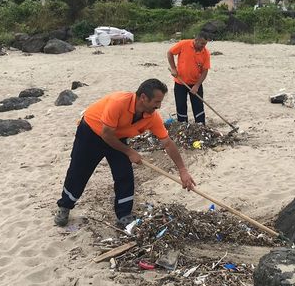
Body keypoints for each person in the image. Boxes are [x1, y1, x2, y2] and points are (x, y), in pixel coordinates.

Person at [54, 79, 196, 227]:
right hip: (91, 132)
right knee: (79, 171)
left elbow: (167, 143)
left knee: (124, 175)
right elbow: (106, 134)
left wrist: (182, 170)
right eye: (156, 101)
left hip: (117, 138)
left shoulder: (151, 117)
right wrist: (130, 152)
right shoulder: (118, 102)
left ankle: (124, 215)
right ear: (143, 98)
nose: (159, 106)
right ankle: (64, 207)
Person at [167, 31, 211, 124]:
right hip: (180, 82)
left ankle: (200, 126)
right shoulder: (183, 44)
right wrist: (173, 68)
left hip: (195, 83)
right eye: (202, 43)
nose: (204, 46)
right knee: (181, 105)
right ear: (196, 40)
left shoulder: (205, 53)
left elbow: (205, 71)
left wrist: (197, 85)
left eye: (205, 44)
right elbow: (170, 53)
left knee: (198, 106)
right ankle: (183, 125)